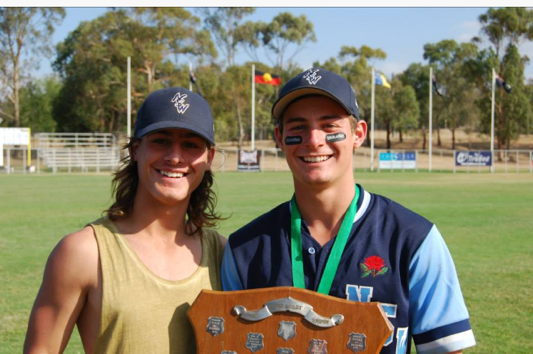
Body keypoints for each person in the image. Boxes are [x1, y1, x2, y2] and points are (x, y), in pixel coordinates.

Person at [221, 68, 476, 354]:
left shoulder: (414, 239)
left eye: (330, 126)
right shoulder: (244, 249)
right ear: (280, 137)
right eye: (298, 127)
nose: (314, 139)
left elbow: (445, 349)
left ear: (358, 134)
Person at [24, 87, 226, 354]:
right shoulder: (84, 253)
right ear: (135, 149)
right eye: (161, 140)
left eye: (190, 144)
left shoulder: (224, 254)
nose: (174, 157)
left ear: (208, 158)